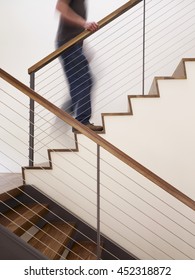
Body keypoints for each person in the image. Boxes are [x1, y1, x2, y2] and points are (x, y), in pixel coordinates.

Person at [56, 0, 103, 132]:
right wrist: (84, 23)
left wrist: (83, 47)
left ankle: (66, 113)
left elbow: (75, 28)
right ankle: (81, 122)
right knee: (85, 82)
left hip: (72, 45)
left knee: (81, 83)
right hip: (68, 44)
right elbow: (60, 7)